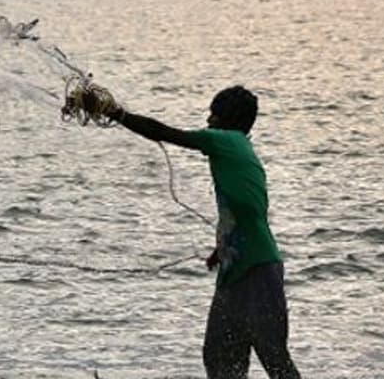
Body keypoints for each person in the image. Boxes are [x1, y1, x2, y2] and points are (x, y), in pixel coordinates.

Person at [93, 85, 300, 378]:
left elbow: (164, 132)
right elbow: (250, 208)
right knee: (220, 356)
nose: (208, 122)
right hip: (236, 271)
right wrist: (223, 248)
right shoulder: (240, 150)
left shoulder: (226, 141)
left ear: (227, 119)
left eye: (213, 115)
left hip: (257, 271)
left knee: (273, 356)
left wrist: (115, 113)